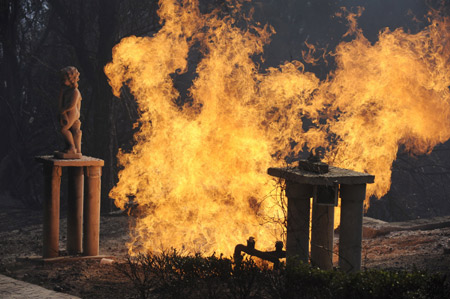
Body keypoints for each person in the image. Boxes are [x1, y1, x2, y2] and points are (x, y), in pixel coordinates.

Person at [58, 66, 82, 155]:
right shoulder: (67, 91)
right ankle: (69, 146)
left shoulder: (75, 92)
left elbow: (72, 105)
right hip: (68, 112)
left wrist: (63, 110)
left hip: (72, 112)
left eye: (64, 79)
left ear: (71, 79)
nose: (62, 82)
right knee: (70, 130)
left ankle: (72, 147)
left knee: (63, 130)